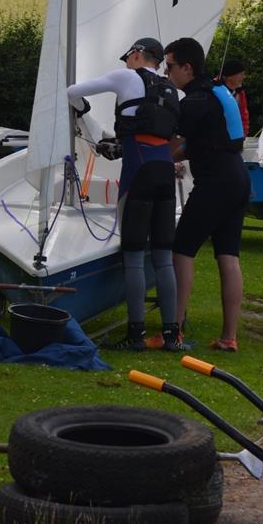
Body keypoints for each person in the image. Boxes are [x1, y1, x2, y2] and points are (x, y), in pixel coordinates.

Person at [67, 38, 185, 353]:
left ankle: (135, 335)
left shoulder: (126, 77)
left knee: (132, 255)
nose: (125, 63)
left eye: (128, 58)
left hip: (139, 173)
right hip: (164, 172)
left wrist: (82, 109)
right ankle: (172, 335)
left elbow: (72, 93)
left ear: (135, 55)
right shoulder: (173, 89)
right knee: (162, 257)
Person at [163, 36, 251, 353]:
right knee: (228, 256)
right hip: (238, 178)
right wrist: (174, 157)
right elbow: (204, 143)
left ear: (186, 67)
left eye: (169, 66)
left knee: (181, 250)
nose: (167, 72)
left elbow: (172, 143)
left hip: (216, 182)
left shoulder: (194, 101)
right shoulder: (217, 92)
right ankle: (229, 338)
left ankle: (173, 330)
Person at [213, 57, 250, 137]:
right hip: (217, 138)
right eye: (241, 74)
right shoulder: (214, 90)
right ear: (230, 76)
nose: (244, 77)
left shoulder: (240, 92)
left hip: (235, 139)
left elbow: (244, 114)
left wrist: (243, 134)